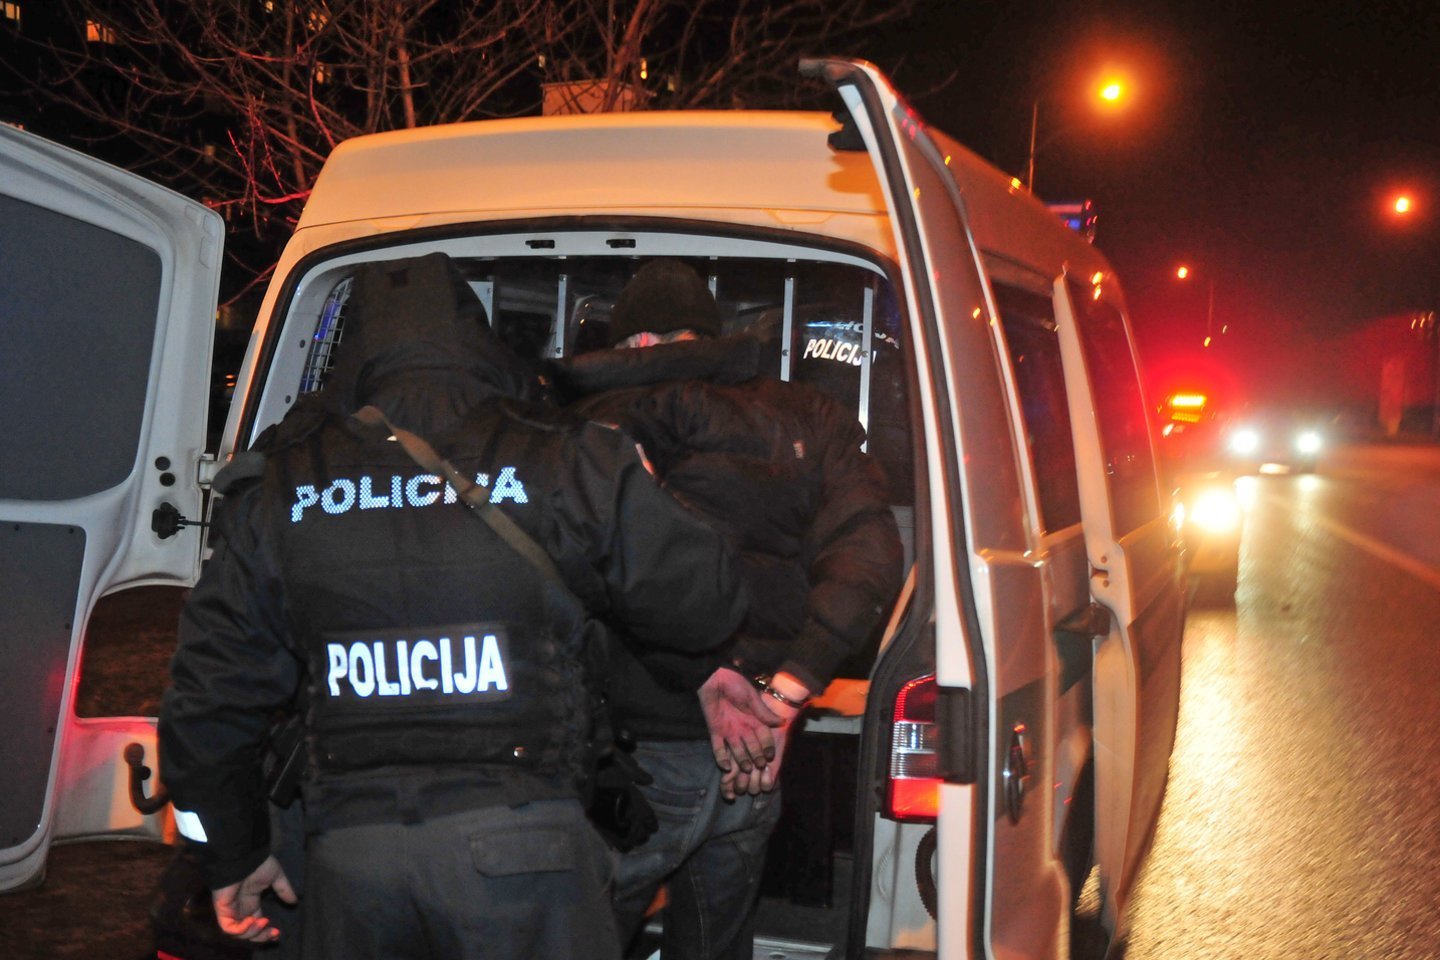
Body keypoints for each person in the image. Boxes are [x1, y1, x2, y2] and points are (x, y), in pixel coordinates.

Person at [159, 252, 747, 960]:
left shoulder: (285, 483)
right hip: (530, 856)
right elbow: (706, 609)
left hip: (351, 861)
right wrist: (644, 491)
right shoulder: (565, 455)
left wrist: (229, 852)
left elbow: (208, 697)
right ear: (478, 338)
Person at [554, 258, 903, 959]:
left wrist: (709, 674)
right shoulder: (811, 414)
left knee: (581, 939)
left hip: (641, 753)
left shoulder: (603, 418)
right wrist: (788, 690)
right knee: (716, 942)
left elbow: (615, 566)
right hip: (761, 748)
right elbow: (869, 551)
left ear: (638, 343)